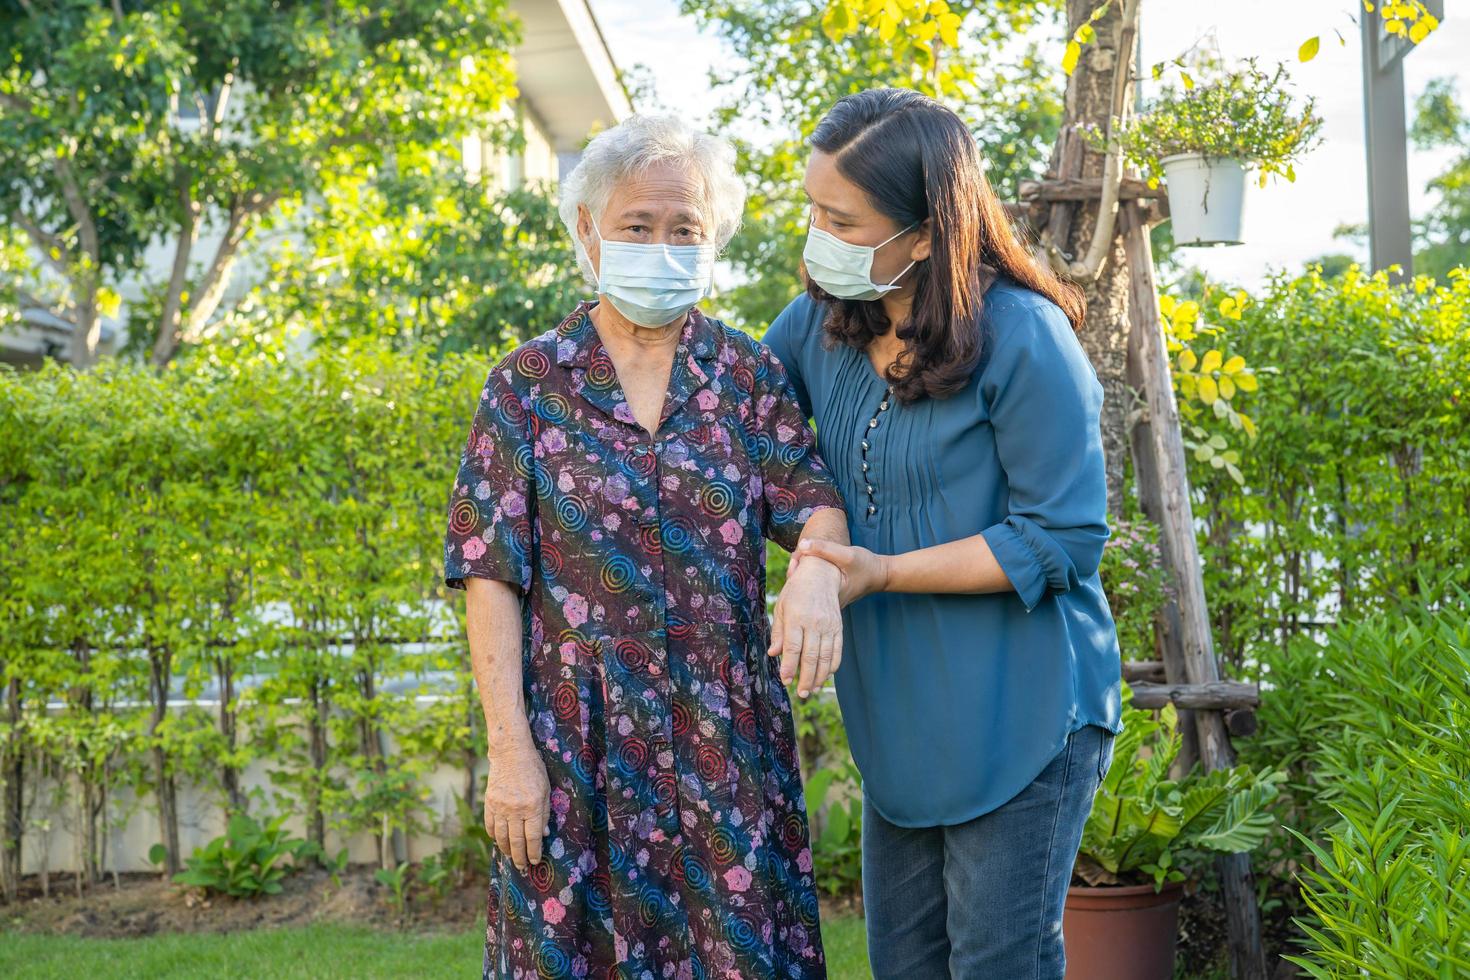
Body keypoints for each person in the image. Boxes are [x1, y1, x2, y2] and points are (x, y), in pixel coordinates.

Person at [442, 113, 849, 980]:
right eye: (637, 225)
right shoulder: (527, 383)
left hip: (724, 742)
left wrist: (815, 570)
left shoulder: (745, 376)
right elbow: (490, 573)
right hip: (572, 747)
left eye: (685, 228)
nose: (661, 244)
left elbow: (814, 503)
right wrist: (510, 752)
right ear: (588, 229)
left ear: (714, 240)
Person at [765, 88, 1124, 979]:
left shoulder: (1023, 336)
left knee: (999, 963)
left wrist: (876, 572)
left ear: (925, 233)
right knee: (906, 966)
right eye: (811, 208)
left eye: (841, 220)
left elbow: (1062, 537)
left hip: (1025, 707)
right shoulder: (818, 326)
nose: (817, 236)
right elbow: (746, 437)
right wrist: (815, 555)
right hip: (899, 716)